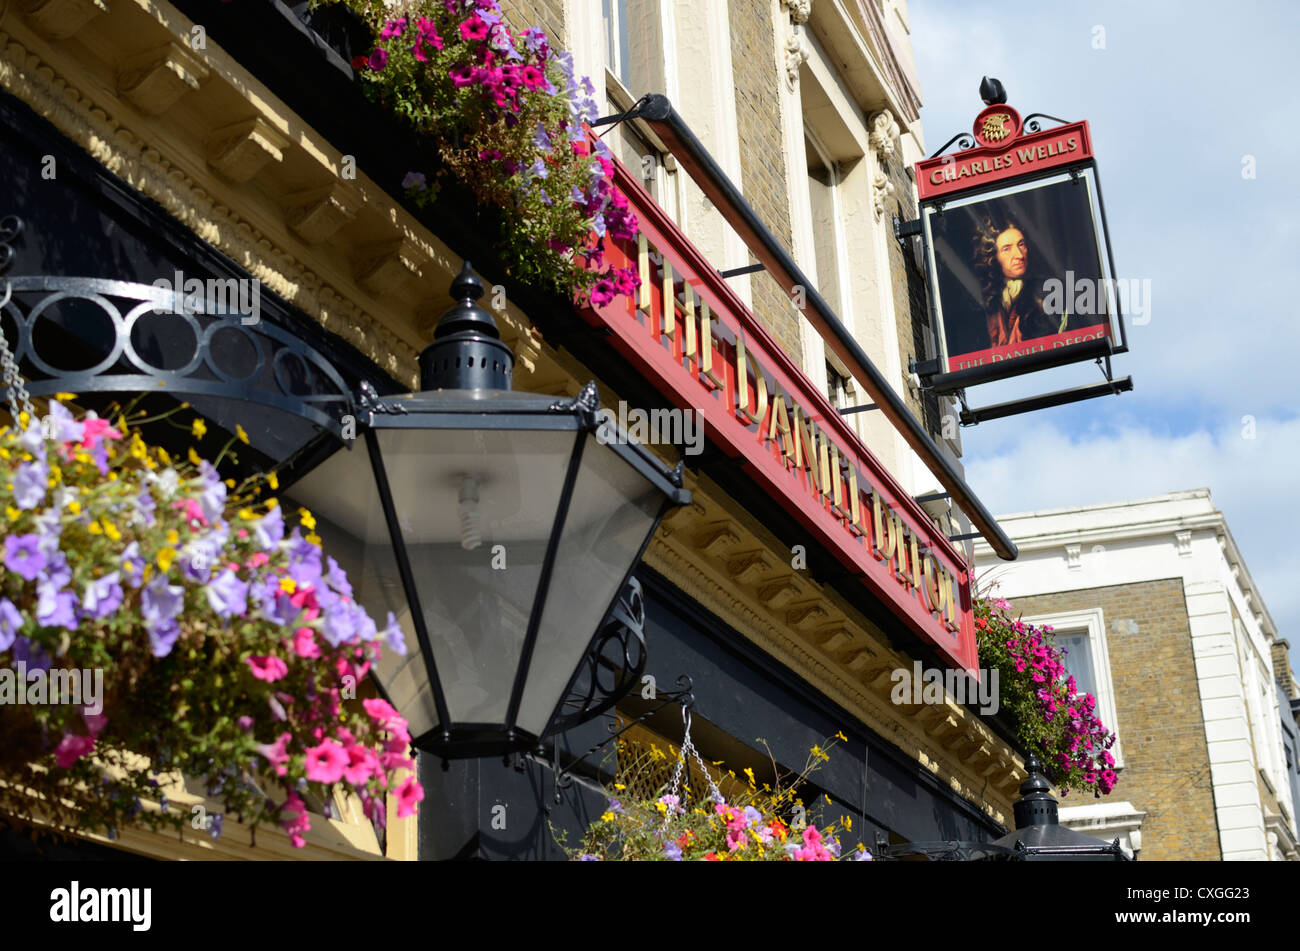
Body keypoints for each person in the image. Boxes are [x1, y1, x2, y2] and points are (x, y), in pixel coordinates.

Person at [971, 216, 1065, 348]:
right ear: (992, 257)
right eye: (1007, 248)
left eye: (1021, 244)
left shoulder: (1049, 289)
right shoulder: (986, 300)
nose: (1019, 255)